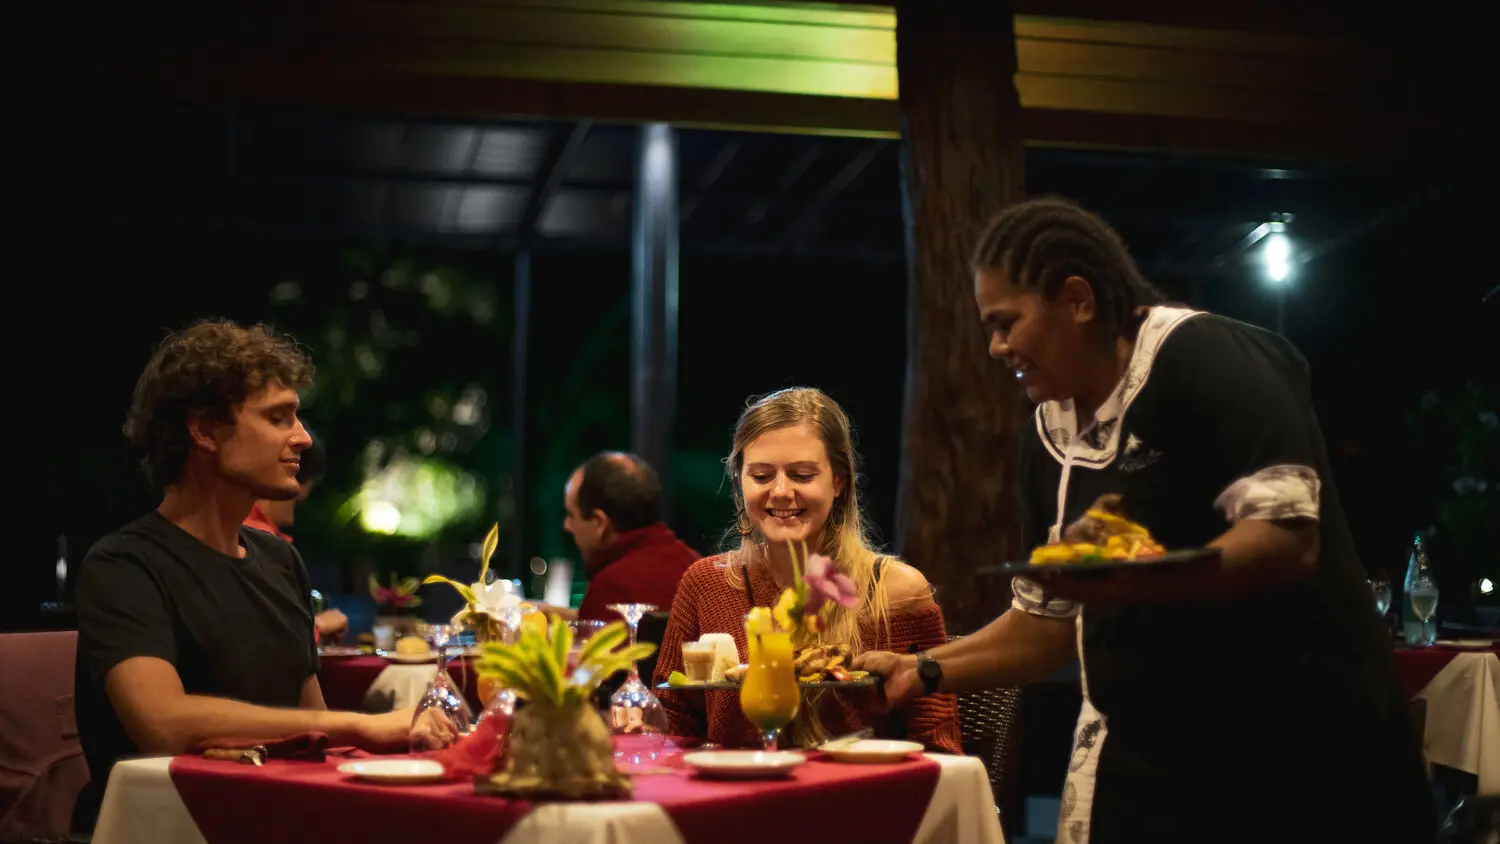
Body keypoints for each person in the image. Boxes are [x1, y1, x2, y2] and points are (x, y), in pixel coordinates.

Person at [854, 197, 1434, 843]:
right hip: (1159, 763)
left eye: (1006, 322)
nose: (994, 347)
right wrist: (924, 669)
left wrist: (1137, 580)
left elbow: (1285, 538)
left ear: (1078, 300)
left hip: (1297, 751)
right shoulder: (1046, 436)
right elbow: (1048, 625)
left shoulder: (1207, 356)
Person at [72, 319, 419, 832]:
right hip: (168, 827)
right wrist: (359, 725)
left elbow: (310, 739)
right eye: (279, 418)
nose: (303, 438)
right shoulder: (124, 565)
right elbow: (163, 724)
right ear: (204, 430)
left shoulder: (280, 562)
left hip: (274, 816)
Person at [654, 387, 962, 753]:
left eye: (801, 475)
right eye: (762, 476)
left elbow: (939, 747)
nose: (781, 492)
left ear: (838, 482)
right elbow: (672, 725)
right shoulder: (705, 583)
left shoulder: (896, 590)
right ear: (739, 479)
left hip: (860, 801)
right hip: (736, 799)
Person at [541, 451, 700, 623]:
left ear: (599, 522)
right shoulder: (694, 567)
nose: (567, 525)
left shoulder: (611, 590)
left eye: (572, 515)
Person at [241, 430, 348, 642]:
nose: (292, 517)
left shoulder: (228, 531)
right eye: (296, 502)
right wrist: (318, 626)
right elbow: (271, 634)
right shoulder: (259, 539)